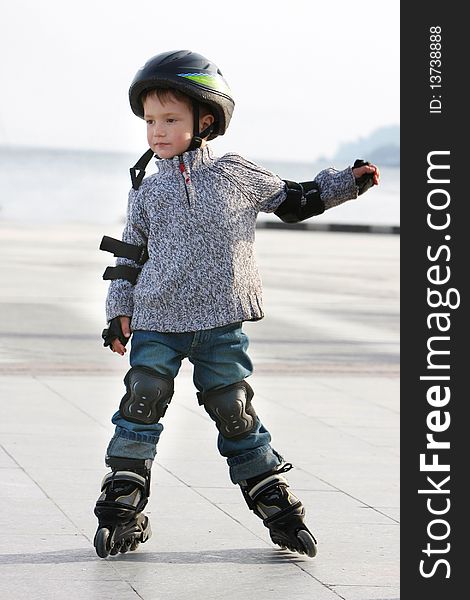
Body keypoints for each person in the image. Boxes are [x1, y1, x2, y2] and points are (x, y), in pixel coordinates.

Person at [93, 50, 379, 559]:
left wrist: (347, 184)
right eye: (150, 121)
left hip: (221, 323)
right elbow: (128, 257)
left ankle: (269, 492)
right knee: (143, 397)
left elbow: (295, 200)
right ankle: (124, 493)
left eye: (170, 120)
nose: (156, 131)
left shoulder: (233, 173)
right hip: (158, 319)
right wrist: (118, 310)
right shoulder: (145, 191)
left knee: (233, 410)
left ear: (206, 121)